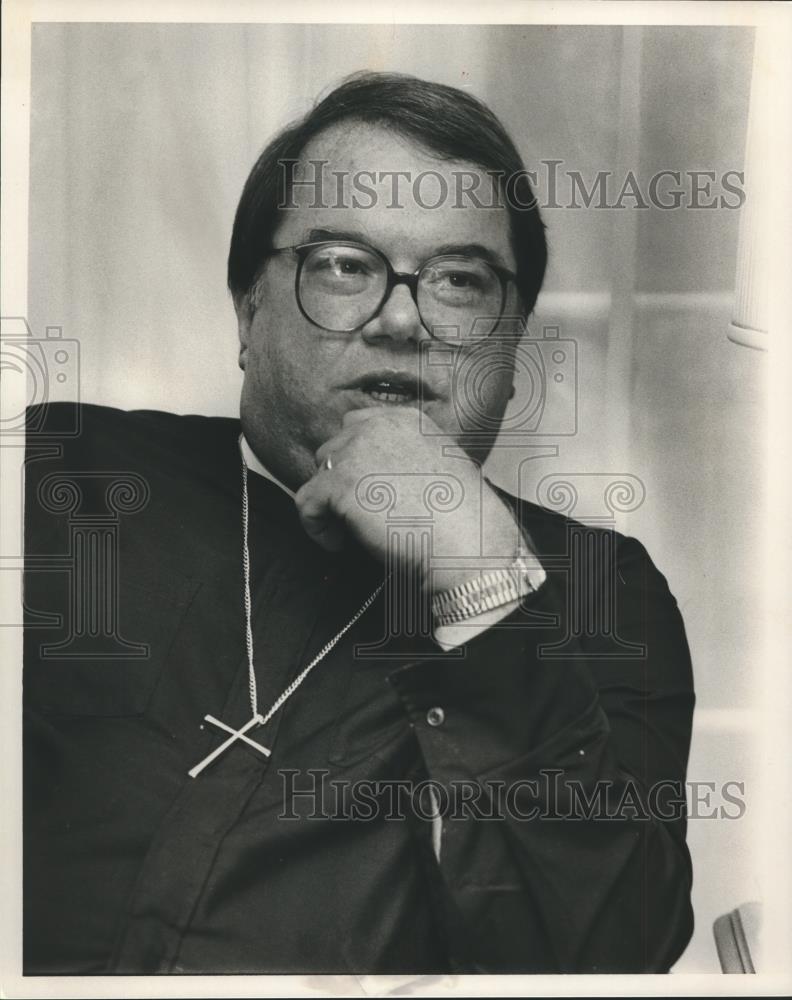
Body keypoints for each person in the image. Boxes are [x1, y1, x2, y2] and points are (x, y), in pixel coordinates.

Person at [23, 72, 695, 975]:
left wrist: (482, 573)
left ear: (512, 344)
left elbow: (607, 962)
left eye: (460, 280)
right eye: (342, 264)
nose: (401, 318)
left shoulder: (604, 596)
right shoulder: (61, 474)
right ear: (248, 309)